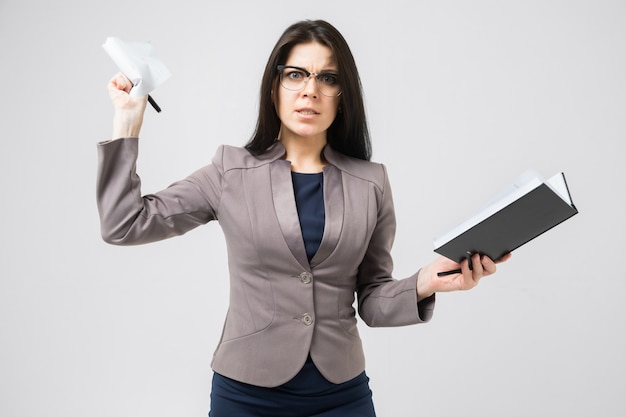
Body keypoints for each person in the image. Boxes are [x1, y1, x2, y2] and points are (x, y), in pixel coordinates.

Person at [97, 19, 511, 417]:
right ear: (274, 87)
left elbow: (370, 299)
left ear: (342, 95)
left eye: (327, 79)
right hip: (246, 396)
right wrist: (127, 123)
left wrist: (424, 282)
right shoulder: (230, 172)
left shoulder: (372, 183)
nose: (310, 91)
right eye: (295, 74)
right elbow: (125, 223)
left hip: (341, 395)